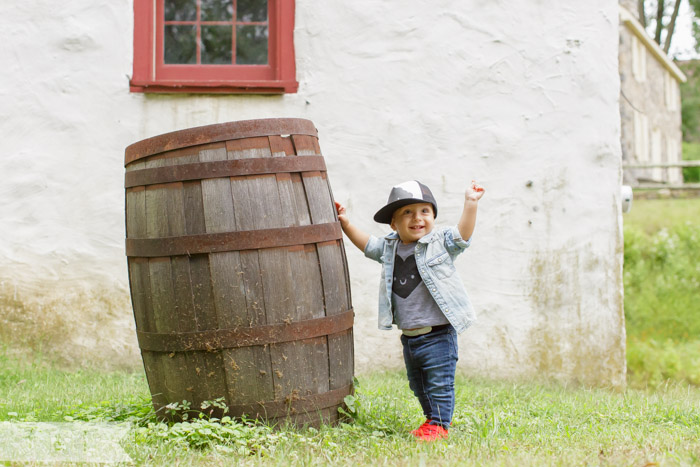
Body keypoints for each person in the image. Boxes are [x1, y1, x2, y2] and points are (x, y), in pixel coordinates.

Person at [335, 179, 484, 441]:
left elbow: (462, 236)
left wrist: (470, 204)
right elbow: (369, 245)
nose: (418, 218)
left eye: (425, 211)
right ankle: (431, 420)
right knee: (418, 384)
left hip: (438, 333)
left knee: (439, 383)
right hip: (410, 336)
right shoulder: (391, 247)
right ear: (393, 223)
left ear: (433, 217)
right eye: (407, 212)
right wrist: (346, 223)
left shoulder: (439, 243)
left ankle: (439, 425)